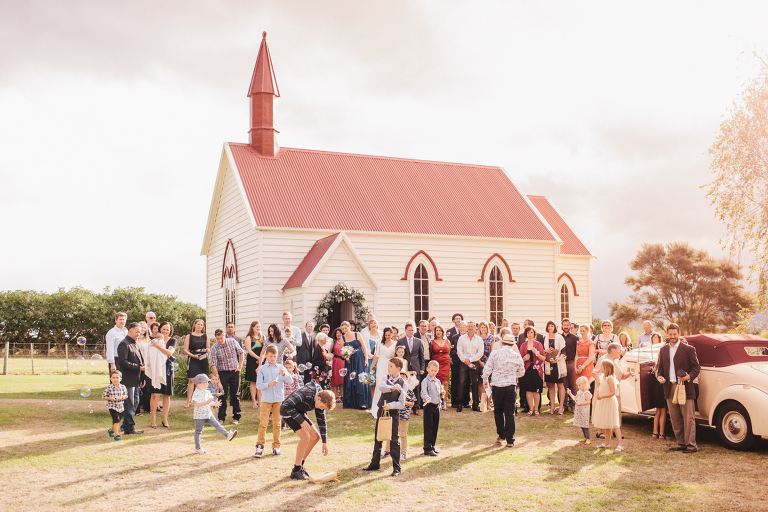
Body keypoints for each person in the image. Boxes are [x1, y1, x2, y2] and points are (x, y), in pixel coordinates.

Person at [655, 323, 701, 454]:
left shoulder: (688, 349)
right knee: (675, 418)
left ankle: (691, 445)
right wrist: (659, 377)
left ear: (679, 334)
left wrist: (689, 377)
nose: (673, 337)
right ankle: (681, 444)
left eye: (675, 334)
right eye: (670, 335)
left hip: (685, 388)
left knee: (688, 418)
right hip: (669, 387)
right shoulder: (663, 350)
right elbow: (660, 368)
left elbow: (696, 368)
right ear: (667, 335)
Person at [281, 382, 336, 480]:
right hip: (287, 412)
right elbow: (286, 405)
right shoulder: (306, 392)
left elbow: (322, 421)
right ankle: (296, 471)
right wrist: (301, 421)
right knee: (305, 437)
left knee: (316, 437)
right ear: (318, 399)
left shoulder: (320, 399)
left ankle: (300, 466)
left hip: (299, 412)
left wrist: (324, 442)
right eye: (322, 406)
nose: (321, 409)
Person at [363, 357, 407, 476]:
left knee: (394, 439)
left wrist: (391, 405)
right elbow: (381, 387)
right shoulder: (385, 378)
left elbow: (402, 403)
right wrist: (392, 387)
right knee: (378, 437)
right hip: (382, 411)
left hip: (393, 413)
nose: (388, 368)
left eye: (391, 366)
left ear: (398, 369)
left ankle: (396, 468)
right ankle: (374, 463)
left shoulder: (403, 383)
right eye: (388, 366)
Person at [482, 333, 525, 447]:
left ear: (501, 342)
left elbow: (487, 369)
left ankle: (501, 435)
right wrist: (512, 374)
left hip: (497, 386)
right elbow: (521, 373)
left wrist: (485, 380)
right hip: (510, 386)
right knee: (510, 413)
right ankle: (510, 440)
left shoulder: (495, 353)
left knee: (498, 411)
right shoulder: (516, 356)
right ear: (512, 345)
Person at [254, 344, 289, 458]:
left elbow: (290, 380)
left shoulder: (281, 367)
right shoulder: (262, 369)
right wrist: (269, 384)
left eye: (274, 356)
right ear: (266, 356)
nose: (272, 359)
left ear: (277, 355)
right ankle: (260, 446)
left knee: (277, 424)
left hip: (278, 399)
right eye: (270, 356)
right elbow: (258, 385)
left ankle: (276, 446)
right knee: (263, 423)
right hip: (266, 400)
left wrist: (284, 374)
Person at [191, 374, 237, 454]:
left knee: (217, 424)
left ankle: (227, 435)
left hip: (208, 414)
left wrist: (214, 404)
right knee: (198, 431)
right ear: (198, 384)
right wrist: (207, 402)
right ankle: (198, 448)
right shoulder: (196, 393)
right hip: (199, 416)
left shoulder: (207, 392)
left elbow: (209, 402)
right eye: (205, 382)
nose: (207, 384)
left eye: (207, 382)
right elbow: (197, 404)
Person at [209, 328, 245, 425]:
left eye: (221, 338)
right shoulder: (214, 348)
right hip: (222, 373)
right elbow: (213, 364)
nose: (220, 340)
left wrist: (240, 366)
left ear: (225, 335)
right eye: (218, 338)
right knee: (222, 395)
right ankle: (221, 417)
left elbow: (241, 353)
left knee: (235, 394)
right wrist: (218, 380)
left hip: (234, 371)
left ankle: (236, 416)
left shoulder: (233, 342)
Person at [116, 322, 145, 435]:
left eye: (140, 331)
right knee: (130, 404)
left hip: (136, 380)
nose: (139, 334)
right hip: (128, 380)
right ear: (130, 331)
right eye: (137, 331)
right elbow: (122, 362)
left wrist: (142, 378)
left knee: (135, 403)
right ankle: (129, 429)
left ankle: (125, 425)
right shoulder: (124, 344)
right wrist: (139, 368)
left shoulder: (135, 343)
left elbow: (140, 361)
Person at [147, 321, 176, 429]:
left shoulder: (172, 340)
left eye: (167, 329)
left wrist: (157, 346)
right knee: (154, 394)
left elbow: (169, 353)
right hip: (156, 369)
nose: (165, 331)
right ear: (160, 329)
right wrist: (156, 344)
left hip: (167, 370)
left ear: (170, 331)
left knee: (166, 395)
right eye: (163, 329)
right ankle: (153, 419)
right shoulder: (154, 340)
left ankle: (165, 419)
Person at [385, 368, 416, 461]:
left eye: (404, 376)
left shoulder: (409, 391)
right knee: (390, 433)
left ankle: (403, 453)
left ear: (406, 379)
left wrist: (402, 402)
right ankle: (387, 450)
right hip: (394, 414)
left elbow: (412, 403)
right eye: (400, 376)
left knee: (403, 434)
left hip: (405, 415)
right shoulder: (394, 389)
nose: (402, 378)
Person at [593, 359, 623, 452]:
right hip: (603, 401)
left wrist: (602, 396)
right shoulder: (603, 377)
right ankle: (607, 443)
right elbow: (598, 386)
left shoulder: (610, 378)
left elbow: (612, 392)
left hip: (609, 401)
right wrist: (597, 376)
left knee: (614, 423)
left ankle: (620, 444)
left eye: (601, 366)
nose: (600, 368)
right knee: (607, 423)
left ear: (606, 368)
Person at [396, 321, 425, 414]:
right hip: (405, 367)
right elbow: (398, 355)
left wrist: (422, 368)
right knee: (405, 386)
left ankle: (416, 407)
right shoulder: (400, 341)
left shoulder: (418, 341)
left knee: (416, 386)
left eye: (412, 330)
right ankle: (403, 405)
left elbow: (421, 356)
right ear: (405, 331)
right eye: (409, 330)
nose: (411, 332)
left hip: (416, 366)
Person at [342, 321, 371, 410]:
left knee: (360, 379)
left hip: (359, 359)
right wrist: (345, 356)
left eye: (346, 328)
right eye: (343, 329)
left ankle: (362, 402)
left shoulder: (357, 334)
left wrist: (366, 359)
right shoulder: (343, 338)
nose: (345, 330)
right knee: (351, 380)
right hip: (350, 362)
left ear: (349, 327)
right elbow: (342, 350)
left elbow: (364, 347)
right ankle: (351, 402)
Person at [370, 327, 398, 417]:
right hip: (381, 364)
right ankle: (378, 407)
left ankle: (389, 406)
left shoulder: (395, 343)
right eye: (385, 335)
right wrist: (372, 366)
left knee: (390, 384)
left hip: (391, 365)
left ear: (392, 334)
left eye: (389, 335)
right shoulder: (379, 343)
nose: (387, 337)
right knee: (380, 385)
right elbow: (376, 356)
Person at [456, 321, 484, 412]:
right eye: (469, 326)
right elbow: (459, 351)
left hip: (474, 362)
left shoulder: (479, 339)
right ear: (467, 327)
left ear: (475, 328)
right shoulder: (461, 338)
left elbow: (480, 352)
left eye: (472, 326)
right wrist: (466, 361)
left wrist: (471, 361)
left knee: (475, 383)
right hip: (463, 362)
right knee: (462, 382)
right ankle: (459, 404)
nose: (470, 328)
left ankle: (475, 404)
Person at [519, 326, 545, 416]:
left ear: (534, 334)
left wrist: (537, 353)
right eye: (528, 332)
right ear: (526, 334)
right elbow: (519, 359)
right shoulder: (523, 345)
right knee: (528, 391)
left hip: (537, 370)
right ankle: (530, 409)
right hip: (527, 370)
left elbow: (543, 358)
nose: (530, 334)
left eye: (531, 332)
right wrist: (524, 359)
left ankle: (536, 409)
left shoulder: (538, 344)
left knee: (536, 391)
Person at [606, 342, 634, 428]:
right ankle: (608, 427)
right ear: (613, 351)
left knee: (617, 408)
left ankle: (616, 428)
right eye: (619, 350)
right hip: (608, 389)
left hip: (616, 388)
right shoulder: (606, 360)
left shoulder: (617, 361)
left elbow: (621, 376)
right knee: (609, 408)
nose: (620, 352)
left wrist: (628, 374)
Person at [183, 319, 209, 409]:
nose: (200, 326)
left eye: (201, 325)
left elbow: (207, 347)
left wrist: (208, 350)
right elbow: (185, 350)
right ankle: (188, 401)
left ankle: (203, 400)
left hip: (203, 359)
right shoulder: (189, 336)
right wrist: (193, 356)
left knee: (204, 380)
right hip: (193, 358)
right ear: (194, 325)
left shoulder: (205, 336)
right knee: (191, 380)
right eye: (198, 324)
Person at [543, 320, 567, 415]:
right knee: (551, 385)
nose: (550, 327)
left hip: (558, 364)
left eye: (552, 326)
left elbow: (564, 351)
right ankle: (552, 406)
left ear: (555, 327)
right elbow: (542, 351)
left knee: (560, 385)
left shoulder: (560, 337)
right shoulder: (545, 338)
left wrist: (558, 359)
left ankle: (561, 407)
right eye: (548, 326)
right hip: (549, 364)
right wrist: (545, 350)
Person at [421, 360, 443, 456]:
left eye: (435, 371)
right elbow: (423, 392)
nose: (433, 372)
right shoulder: (425, 381)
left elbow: (438, 393)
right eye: (432, 370)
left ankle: (432, 446)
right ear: (427, 369)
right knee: (428, 427)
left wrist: (442, 394)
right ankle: (427, 447)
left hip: (436, 405)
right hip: (429, 405)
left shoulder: (437, 381)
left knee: (435, 427)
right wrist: (427, 398)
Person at [650, 332, 668, 440]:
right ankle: (662, 433)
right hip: (663, 388)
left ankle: (654, 432)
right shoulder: (665, 366)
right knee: (663, 411)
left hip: (657, 389)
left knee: (657, 412)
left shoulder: (657, 366)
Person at [429, 325, 451, 410]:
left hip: (445, 363)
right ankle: (438, 402)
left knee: (445, 382)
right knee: (436, 383)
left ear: (442, 332)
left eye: (440, 330)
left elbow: (448, 352)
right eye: (436, 330)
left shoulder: (447, 341)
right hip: (436, 363)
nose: (438, 332)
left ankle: (444, 402)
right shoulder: (432, 342)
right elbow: (431, 352)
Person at [102, 370, 128, 441]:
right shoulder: (109, 388)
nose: (115, 379)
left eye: (117, 378)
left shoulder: (123, 387)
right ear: (111, 379)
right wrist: (110, 398)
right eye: (113, 378)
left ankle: (110, 430)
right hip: (112, 407)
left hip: (120, 406)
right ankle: (117, 435)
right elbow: (104, 397)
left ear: (120, 379)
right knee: (116, 420)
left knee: (117, 420)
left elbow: (126, 395)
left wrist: (123, 397)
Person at [244, 321, 264, 408]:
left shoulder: (262, 337)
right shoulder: (249, 337)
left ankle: (260, 401)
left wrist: (261, 360)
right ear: (252, 327)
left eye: (259, 326)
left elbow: (265, 349)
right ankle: (253, 401)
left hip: (261, 360)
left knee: (260, 381)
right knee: (253, 381)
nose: (258, 328)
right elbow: (249, 350)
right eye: (256, 326)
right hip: (252, 360)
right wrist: (258, 358)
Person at [449, 321, 469, 409]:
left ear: (467, 328)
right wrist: (456, 353)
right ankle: (454, 401)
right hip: (456, 362)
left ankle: (466, 401)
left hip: (465, 362)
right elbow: (451, 350)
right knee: (455, 381)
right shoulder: (454, 337)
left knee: (466, 382)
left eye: (464, 327)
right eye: (461, 327)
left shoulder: (469, 338)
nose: (462, 329)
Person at [561, 318, 579, 410]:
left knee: (573, 385)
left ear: (570, 326)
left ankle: (573, 404)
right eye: (564, 325)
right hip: (562, 364)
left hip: (571, 363)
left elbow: (577, 353)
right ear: (562, 326)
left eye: (568, 325)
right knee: (563, 385)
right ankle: (564, 405)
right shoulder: (559, 337)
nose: (566, 327)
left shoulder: (575, 338)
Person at [567, 376, 592, 444]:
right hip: (580, 411)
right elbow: (575, 398)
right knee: (581, 424)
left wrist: (580, 403)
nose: (578, 386)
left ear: (585, 384)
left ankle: (588, 438)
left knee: (585, 424)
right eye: (577, 385)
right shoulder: (579, 392)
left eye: (580, 385)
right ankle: (585, 437)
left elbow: (588, 401)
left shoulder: (586, 393)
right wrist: (570, 394)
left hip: (584, 411)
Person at [364, 319, 382, 402]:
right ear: (369, 325)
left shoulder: (381, 334)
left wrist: (377, 355)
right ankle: (372, 400)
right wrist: (371, 355)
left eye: (375, 323)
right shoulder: (366, 335)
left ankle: (379, 399)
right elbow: (365, 347)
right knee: (371, 381)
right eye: (371, 323)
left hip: (380, 360)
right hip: (370, 359)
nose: (373, 324)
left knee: (379, 380)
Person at [136, 321, 151, 416]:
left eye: (145, 328)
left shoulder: (147, 340)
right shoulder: (135, 339)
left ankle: (146, 406)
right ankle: (137, 408)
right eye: (141, 327)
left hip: (146, 364)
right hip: (138, 364)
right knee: (138, 385)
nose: (143, 329)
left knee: (146, 386)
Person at [478, 321, 495, 410]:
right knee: (481, 383)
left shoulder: (491, 337)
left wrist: (489, 363)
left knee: (489, 383)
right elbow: (475, 350)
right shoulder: (477, 338)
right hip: (480, 361)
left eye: (485, 327)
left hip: (489, 362)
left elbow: (492, 351)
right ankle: (482, 403)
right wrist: (480, 362)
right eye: (482, 327)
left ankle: (488, 403)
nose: (483, 329)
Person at [330, 328, 346, 401]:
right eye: (337, 333)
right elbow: (330, 352)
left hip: (343, 361)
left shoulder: (345, 341)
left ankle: (343, 396)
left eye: (340, 333)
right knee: (335, 379)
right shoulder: (333, 342)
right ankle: (336, 396)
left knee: (342, 380)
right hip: (335, 362)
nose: (338, 335)